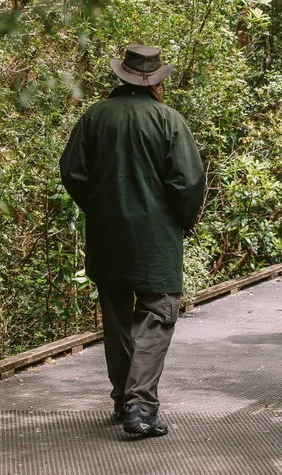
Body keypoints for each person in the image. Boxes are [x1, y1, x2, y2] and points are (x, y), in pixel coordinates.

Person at [60, 45, 205, 440]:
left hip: (108, 235)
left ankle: (125, 399)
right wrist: (183, 220)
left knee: (118, 318)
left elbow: (72, 172)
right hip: (157, 239)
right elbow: (188, 183)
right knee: (158, 312)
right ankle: (140, 405)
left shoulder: (94, 117)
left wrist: (99, 207)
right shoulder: (169, 121)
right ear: (157, 81)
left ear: (121, 77)